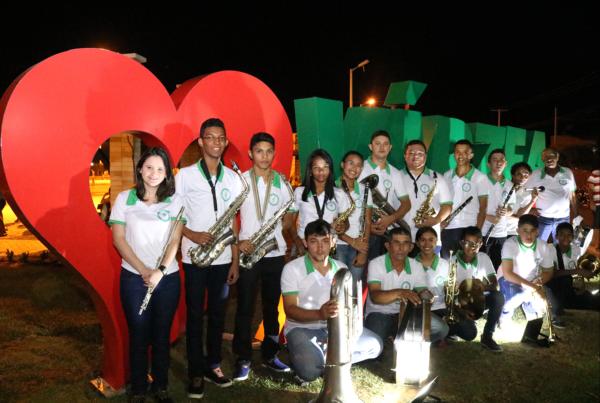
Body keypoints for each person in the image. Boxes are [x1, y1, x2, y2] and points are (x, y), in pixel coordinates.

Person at [175, 118, 244, 398]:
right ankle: (195, 371)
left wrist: (235, 260)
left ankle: (212, 365)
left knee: (217, 315)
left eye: (220, 138)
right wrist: (192, 234)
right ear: (200, 142)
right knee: (194, 316)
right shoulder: (185, 176)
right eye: (210, 137)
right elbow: (175, 215)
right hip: (195, 257)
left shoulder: (233, 178)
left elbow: (235, 222)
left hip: (223, 257)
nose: (216, 142)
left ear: (226, 143)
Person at [109, 147, 184, 403]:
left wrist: (160, 271)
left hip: (167, 279)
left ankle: (160, 386)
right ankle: (139, 388)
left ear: (167, 174)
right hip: (134, 278)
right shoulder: (125, 199)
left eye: (160, 169)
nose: (154, 173)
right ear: (140, 169)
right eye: (149, 167)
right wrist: (143, 270)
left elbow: (175, 240)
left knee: (162, 336)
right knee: (139, 335)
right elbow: (119, 239)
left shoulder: (174, 200)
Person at [281, 219, 382, 384]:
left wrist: (345, 327)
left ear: (333, 242)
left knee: (375, 346)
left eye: (325, 241)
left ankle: (324, 356)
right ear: (305, 243)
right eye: (314, 241)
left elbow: (347, 305)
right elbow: (290, 310)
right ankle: (323, 357)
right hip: (302, 328)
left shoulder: (342, 268)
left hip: (335, 328)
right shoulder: (292, 269)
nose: (320, 247)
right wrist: (319, 314)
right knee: (309, 372)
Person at [232, 132, 292, 381]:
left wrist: (279, 231)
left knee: (271, 307)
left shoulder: (282, 182)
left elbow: (290, 215)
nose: (264, 156)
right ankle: (243, 358)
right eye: (259, 151)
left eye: (269, 151)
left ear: (274, 154)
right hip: (249, 252)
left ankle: (270, 353)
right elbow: (230, 217)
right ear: (250, 153)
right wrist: (239, 242)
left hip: (274, 252)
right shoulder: (240, 181)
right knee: (244, 307)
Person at [364, 226, 449, 354]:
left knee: (441, 329)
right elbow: (376, 297)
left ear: (411, 247)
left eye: (405, 243)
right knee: (373, 347)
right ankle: (395, 337)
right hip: (380, 313)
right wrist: (400, 293)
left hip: (406, 313)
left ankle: (399, 338)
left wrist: (427, 296)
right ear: (387, 246)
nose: (401, 248)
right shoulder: (376, 264)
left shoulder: (416, 266)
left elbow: (422, 291)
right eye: (396, 243)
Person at [439, 227, 504, 352]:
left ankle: (488, 336)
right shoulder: (451, 261)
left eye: (476, 243)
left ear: (481, 244)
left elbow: (495, 285)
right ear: (461, 243)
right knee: (470, 334)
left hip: (477, 301)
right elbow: (447, 293)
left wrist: (482, 286)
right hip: (459, 305)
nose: (472, 247)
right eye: (468, 243)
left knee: (498, 297)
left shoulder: (483, 257)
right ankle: (452, 329)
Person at [358, 130, 411, 260]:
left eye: (385, 144)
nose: (382, 147)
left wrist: (390, 219)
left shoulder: (395, 173)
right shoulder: (359, 168)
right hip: (362, 229)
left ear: (390, 147)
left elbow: (406, 204)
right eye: (377, 144)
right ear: (370, 146)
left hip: (387, 228)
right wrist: (368, 226)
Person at [288, 149, 350, 256]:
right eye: (316, 168)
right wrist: (298, 242)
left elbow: (346, 222)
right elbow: (289, 223)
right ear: (310, 171)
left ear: (330, 170)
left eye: (325, 167)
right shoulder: (299, 192)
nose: (321, 171)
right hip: (304, 245)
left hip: (329, 247)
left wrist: (343, 227)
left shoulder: (339, 193)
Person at [497, 214, 554, 329]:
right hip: (510, 280)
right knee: (516, 296)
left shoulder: (543, 246)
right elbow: (508, 274)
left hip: (532, 281)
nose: (529, 234)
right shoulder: (510, 244)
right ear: (518, 231)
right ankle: (505, 314)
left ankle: (529, 307)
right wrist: (535, 288)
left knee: (544, 307)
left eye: (532, 231)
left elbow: (548, 271)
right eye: (525, 230)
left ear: (537, 232)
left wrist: (536, 284)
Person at [400, 140, 452, 254]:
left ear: (426, 156)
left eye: (420, 153)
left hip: (430, 240)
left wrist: (436, 220)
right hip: (401, 239)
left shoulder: (438, 178)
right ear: (405, 156)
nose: (416, 156)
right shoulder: (396, 176)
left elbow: (447, 205)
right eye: (411, 153)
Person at [441, 140, 488, 259]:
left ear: (471, 155)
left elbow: (483, 208)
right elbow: (442, 203)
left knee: (466, 266)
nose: (460, 155)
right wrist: (441, 220)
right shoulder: (446, 175)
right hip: (448, 228)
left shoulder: (480, 177)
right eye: (457, 152)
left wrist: (477, 233)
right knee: (448, 264)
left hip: (469, 229)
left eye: (465, 152)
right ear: (454, 154)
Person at [546, 222, 600, 325]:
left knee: (592, 300)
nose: (565, 237)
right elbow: (550, 274)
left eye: (569, 234)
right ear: (556, 236)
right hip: (555, 289)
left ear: (573, 236)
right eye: (562, 234)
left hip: (569, 287)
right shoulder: (549, 250)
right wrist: (577, 271)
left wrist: (582, 285)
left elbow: (575, 269)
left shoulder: (576, 250)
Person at [334, 150, 372, 283]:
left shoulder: (365, 189)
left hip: (359, 246)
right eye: (351, 163)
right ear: (342, 165)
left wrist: (363, 251)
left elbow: (367, 221)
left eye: (358, 165)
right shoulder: (331, 188)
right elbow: (330, 223)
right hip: (337, 245)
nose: (354, 168)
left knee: (355, 286)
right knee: (338, 286)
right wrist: (352, 242)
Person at [525, 147, 577, 242]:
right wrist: (530, 209)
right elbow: (525, 191)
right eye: (545, 157)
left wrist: (577, 214)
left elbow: (572, 195)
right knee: (539, 245)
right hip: (543, 218)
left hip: (563, 218)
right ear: (542, 159)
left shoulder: (568, 172)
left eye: (551, 156)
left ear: (557, 157)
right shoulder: (536, 174)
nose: (548, 159)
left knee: (561, 245)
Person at [481, 149, 516, 270]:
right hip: (483, 231)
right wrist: (488, 217)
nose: (498, 162)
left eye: (501, 160)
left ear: (505, 163)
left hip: (501, 233)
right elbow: (473, 207)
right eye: (495, 160)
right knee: (483, 267)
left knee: (498, 267)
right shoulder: (480, 181)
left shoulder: (510, 185)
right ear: (488, 164)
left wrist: (507, 211)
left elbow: (511, 208)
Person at [506, 162, 539, 239]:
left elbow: (520, 216)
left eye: (526, 175)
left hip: (512, 230)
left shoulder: (527, 193)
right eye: (519, 174)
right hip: (496, 227)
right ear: (513, 175)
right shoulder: (504, 186)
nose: (522, 177)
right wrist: (511, 215)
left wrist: (533, 200)